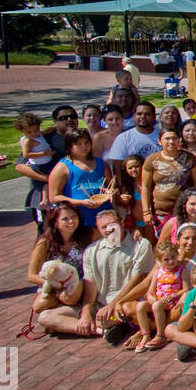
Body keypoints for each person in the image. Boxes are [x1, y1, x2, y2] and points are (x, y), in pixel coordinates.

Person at [82, 209, 154, 341]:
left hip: (126, 302)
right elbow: (89, 287)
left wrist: (113, 304)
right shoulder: (91, 251)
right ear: (98, 229)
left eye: (112, 224)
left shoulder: (141, 245)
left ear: (122, 223)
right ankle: (104, 328)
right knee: (47, 317)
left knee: (115, 315)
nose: (109, 229)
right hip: (100, 307)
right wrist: (85, 314)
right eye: (103, 227)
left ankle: (111, 325)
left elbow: (137, 280)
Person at [26, 205, 96, 337]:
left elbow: (110, 237)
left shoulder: (88, 234)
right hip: (52, 285)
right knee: (39, 306)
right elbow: (31, 276)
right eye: (65, 219)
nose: (71, 222)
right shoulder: (45, 242)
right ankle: (61, 316)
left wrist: (133, 233)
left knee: (68, 298)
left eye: (74, 217)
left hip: (78, 283)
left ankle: (60, 320)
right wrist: (56, 285)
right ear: (55, 222)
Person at [48, 129, 112, 227]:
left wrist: (110, 193)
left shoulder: (101, 163)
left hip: (105, 216)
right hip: (79, 219)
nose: (84, 146)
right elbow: (54, 197)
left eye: (86, 142)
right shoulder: (62, 167)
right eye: (78, 144)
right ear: (70, 146)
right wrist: (81, 202)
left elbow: (111, 186)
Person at [140, 130, 196, 233]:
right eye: (167, 139)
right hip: (160, 212)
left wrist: (195, 205)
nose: (171, 141)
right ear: (160, 141)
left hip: (184, 212)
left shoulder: (190, 158)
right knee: (162, 244)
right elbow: (145, 187)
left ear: (179, 140)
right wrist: (146, 212)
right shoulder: (152, 160)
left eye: (174, 138)